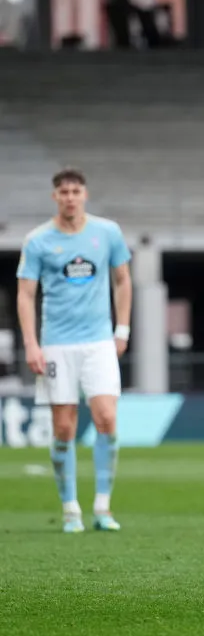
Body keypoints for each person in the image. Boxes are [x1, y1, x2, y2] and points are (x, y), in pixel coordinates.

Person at [16, 168, 133, 533]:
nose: (70, 197)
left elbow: (123, 279)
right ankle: (70, 508)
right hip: (57, 346)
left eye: (76, 191)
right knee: (64, 428)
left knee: (107, 419)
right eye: (63, 192)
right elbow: (25, 294)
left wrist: (122, 329)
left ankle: (102, 507)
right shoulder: (37, 241)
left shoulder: (107, 232)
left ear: (85, 194)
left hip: (98, 342)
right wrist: (32, 344)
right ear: (55, 197)